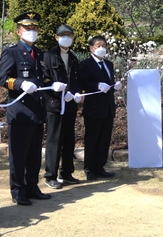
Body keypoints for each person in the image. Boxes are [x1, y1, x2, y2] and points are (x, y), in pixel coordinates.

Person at [0, 12, 56, 205]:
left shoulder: (38, 53)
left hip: (37, 110)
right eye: (27, 28)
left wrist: (53, 84)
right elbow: (3, 79)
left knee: (33, 155)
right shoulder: (11, 51)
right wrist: (20, 83)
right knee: (19, 155)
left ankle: (32, 186)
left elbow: (43, 77)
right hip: (20, 112)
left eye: (35, 28)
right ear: (18, 31)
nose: (32, 31)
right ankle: (18, 190)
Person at [42, 24, 82, 189]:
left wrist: (77, 92)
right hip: (55, 104)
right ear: (56, 37)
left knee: (69, 140)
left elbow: (77, 80)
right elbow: (43, 79)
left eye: (69, 35)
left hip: (70, 104)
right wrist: (53, 86)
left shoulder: (73, 57)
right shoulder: (48, 56)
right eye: (63, 34)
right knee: (54, 140)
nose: (66, 37)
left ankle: (66, 173)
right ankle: (50, 175)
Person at [78, 35, 122, 180]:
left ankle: (100, 166)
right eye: (98, 46)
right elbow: (83, 83)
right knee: (92, 139)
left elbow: (109, 83)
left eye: (104, 46)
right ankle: (89, 168)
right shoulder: (86, 64)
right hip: (93, 108)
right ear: (91, 48)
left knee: (104, 139)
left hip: (108, 107)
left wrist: (115, 86)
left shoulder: (108, 64)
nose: (102, 48)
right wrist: (96, 85)